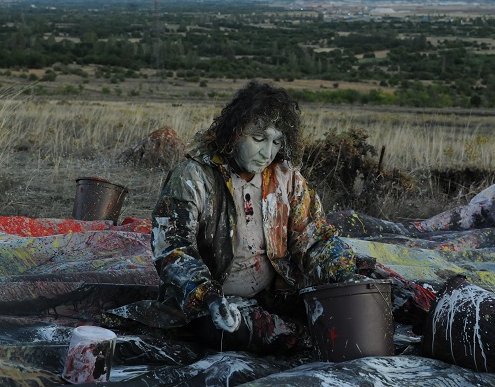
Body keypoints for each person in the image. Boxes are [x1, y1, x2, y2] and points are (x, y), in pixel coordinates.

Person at [150, 80, 357, 352]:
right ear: (233, 134)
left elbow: (314, 237)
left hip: (274, 298)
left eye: (276, 142)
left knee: (364, 303)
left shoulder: (286, 178)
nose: (267, 152)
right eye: (258, 139)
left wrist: (344, 271)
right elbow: (172, 249)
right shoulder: (192, 176)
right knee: (235, 330)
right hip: (211, 306)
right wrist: (208, 296)